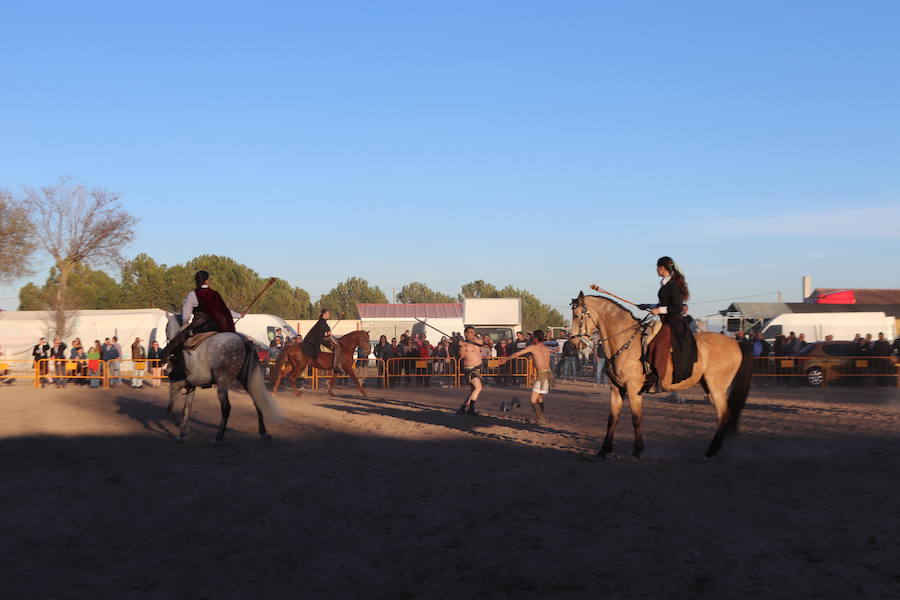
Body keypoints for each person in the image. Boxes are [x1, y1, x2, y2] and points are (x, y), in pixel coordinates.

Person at [636, 256, 698, 394]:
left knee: (655, 344)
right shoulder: (665, 284)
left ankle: (656, 379)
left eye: (658, 267)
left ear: (663, 268)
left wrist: (659, 310)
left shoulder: (673, 285)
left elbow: (677, 307)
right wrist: (648, 305)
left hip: (674, 323)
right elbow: (664, 304)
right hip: (665, 320)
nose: (656, 270)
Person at [164, 270, 239, 381]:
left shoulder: (192, 294)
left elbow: (186, 316)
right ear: (207, 281)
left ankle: (179, 369)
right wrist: (238, 315)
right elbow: (225, 311)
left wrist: (185, 323)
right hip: (216, 326)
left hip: (199, 325)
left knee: (179, 341)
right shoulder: (215, 294)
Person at [500, 330, 553, 424]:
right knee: (540, 398)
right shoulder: (546, 348)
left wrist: (506, 359)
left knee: (532, 400)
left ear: (536, 338)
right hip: (549, 374)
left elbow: (517, 354)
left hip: (542, 375)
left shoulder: (533, 347)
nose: (531, 338)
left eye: (533, 337)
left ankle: (541, 418)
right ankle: (539, 417)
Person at [457, 327, 486, 416]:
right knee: (478, 388)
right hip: (470, 369)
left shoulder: (476, 342)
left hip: (477, 369)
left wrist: (473, 339)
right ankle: (471, 408)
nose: (472, 334)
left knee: (473, 391)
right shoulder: (464, 345)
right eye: (470, 332)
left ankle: (463, 408)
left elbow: (482, 342)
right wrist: (462, 346)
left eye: (473, 332)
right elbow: (461, 356)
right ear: (465, 333)